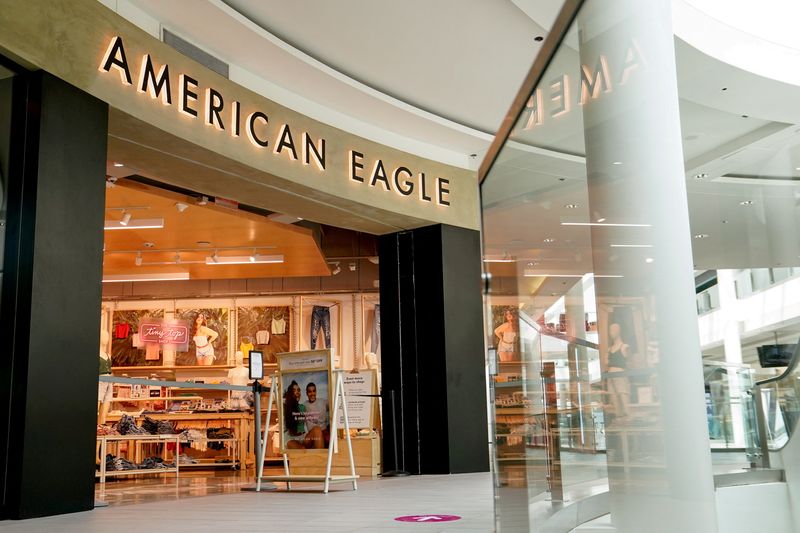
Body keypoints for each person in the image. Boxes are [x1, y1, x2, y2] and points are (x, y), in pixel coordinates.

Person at [606, 322, 631, 420]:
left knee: (622, 393)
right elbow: (606, 362)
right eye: (610, 330)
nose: (611, 333)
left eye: (613, 330)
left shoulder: (624, 347)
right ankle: (619, 416)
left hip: (620, 374)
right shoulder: (609, 349)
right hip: (610, 375)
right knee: (614, 397)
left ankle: (627, 415)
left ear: (618, 331)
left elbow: (629, 362)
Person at [302, 382, 329, 449]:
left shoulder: (323, 402)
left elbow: (334, 406)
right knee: (317, 429)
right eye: (310, 392)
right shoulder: (304, 405)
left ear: (316, 392)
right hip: (312, 434)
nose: (312, 394)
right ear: (306, 393)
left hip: (324, 432)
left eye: (314, 391)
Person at [283, 380, 307, 449]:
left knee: (317, 431)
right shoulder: (285, 406)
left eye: (298, 390)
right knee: (302, 448)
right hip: (290, 438)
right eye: (294, 390)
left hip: (302, 436)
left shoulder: (302, 407)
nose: (297, 392)